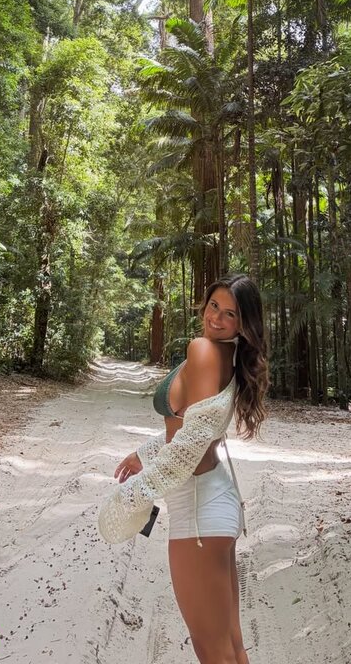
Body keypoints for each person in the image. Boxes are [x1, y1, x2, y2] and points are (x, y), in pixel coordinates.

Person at [98, 273, 269, 664]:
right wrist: (145, 452)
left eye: (230, 314)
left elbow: (190, 445)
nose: (216, 318)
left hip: (198, 515)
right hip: (215, 504)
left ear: (244, 324)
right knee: (232, 647)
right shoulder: (224, 353)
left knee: (213, 652)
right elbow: (196, 428)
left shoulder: (203, 350)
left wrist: (137, 491)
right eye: (214, 306)